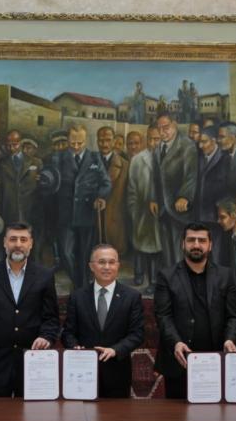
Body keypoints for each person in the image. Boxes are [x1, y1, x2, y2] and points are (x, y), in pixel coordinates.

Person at [0, 222, 60, 397]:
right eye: (13, 239)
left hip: (33, 365)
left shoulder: (45, 276)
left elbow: (51, 318)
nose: (18, 244)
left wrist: (46, 337)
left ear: (31, 244)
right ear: (4, 242)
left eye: (23, 239)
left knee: (32, 414)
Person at [153, 222, 236, 399]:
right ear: (183, 244)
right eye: (191, 240)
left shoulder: (225, 275)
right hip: (180, 360)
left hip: (216, 360)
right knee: (176, 414)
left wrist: (230, 339)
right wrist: (176, 342)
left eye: (202, 240)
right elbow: (163, 316)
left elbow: (234, 316)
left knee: (215, 414)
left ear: (210, 245)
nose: (196, 245)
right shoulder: (167, 276)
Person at [61, 245, 144, 398]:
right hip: (82, 374)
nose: (107, 267)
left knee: (116, 413)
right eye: (101, 262)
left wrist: (115, 350)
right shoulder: (77, 297)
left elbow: (137, 334)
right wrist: (75, 347)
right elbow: (68, 332)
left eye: (112, 262)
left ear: (118, 266)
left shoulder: (132, 297)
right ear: (91, 266)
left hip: (117, 373)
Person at [61, 124, 112, 286]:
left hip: (87, 213)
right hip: (66, 214)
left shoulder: (95, 158)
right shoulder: (59, 158)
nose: (76, 146)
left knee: (84, 255)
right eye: (73, 143)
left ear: (86, 140)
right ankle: (78, 282)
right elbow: (51, 177)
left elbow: (106, 183)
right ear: (68, 140)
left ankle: (81, 286)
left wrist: (101, 197)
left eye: (80, 143)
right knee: (66, 252)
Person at [150, 111, 199, 268]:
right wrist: (153, 198)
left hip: (180, 210)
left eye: (166, 127)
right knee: (167, 250)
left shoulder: (187, 146)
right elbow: (155, 177)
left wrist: (185, 196)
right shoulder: (158, 149)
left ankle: (182, 280)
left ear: (175, 125)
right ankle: (171, 278)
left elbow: (191, 175)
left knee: (180, 251)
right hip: (163, 208)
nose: (162, 132)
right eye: (159, 128)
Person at [127, 127, 162, 294]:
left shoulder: (166, 158)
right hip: (141, 210)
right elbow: (132, 187)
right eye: (150, 139)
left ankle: (154, 280)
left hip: (159, 211)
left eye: (157, 139)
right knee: (139, 244)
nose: (153, 143)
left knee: (156, 247)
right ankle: (139, 275)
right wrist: (133, 209)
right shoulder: (138, 160)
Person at [98, 126, 129, 255]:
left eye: (108, 140)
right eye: (101, 140)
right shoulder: (89, 161)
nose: (104, 144)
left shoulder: (125, 165)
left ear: (114, 141)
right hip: (94, 220)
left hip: (116, 220)